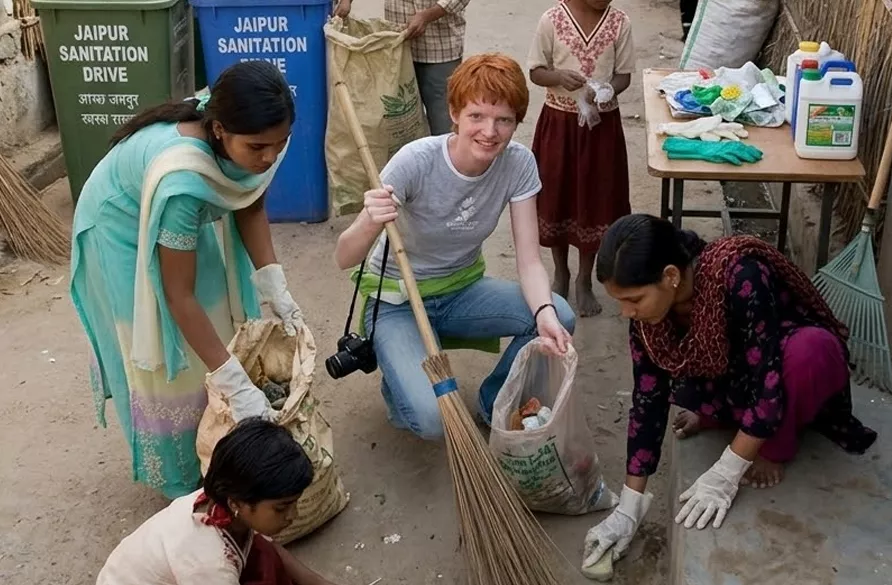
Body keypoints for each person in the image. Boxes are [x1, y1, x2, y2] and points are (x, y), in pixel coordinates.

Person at [581, 214, 877, 569]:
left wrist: (728, 471)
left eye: (634, 299)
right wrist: (629, 506)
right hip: (736, 380)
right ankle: (724, 419)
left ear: (671, 276)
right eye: (620, 301)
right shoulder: (646, 321)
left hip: (784, 365)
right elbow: (647, 402)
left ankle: (771, 446)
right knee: (683, 367)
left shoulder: (739, 273)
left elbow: (767, 375)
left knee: (809, 352)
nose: (626, 312)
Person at [70, 60, 305, 500]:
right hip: (119, 226)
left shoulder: (256, 138)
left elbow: (249, 200)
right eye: (259, 147)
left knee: (217, 323)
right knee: (165, 350)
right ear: (218, 131)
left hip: (175, 210)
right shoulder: (183, 178)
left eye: (281, 143)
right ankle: (184, 478)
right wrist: (235, 383)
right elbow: (177, 296)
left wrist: (275, 283)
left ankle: (217, 445)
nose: (270, 156)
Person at [333, 53, 576, 440]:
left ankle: (492, 402)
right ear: (454, 113)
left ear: (516, 122)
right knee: (432, 422)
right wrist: (368, 219)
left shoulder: (518, 164)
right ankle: (401, 368)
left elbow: (529, 261)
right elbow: (344, 257)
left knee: (559, 316)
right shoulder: (415, 162)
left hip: (461, 290)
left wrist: (543, 311)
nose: (489, 131)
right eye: (477, 116)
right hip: (398, 303)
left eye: (504, 120)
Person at [96, 418, 340, 585]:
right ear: (237, 503)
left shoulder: (221, 502)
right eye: (282, 507)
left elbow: (268, 546)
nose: (293, 515)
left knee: (264, 555)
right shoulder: (210, 564)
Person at [527, 0, 635, 318]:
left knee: (595, 200)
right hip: (558, 126)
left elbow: (623, 76)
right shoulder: (551, 20)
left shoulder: (619, 23)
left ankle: (585, 279)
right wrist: (557, 76)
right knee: (556, 197)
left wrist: (605, 90)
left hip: (601, 130)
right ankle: (561, 272)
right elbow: (536, 72)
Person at [385, 0, 470, 135]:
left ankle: (446, 155)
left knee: (444, 123)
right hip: (399, 44)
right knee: (401, 124)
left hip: (439, 48)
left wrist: (427, 16)